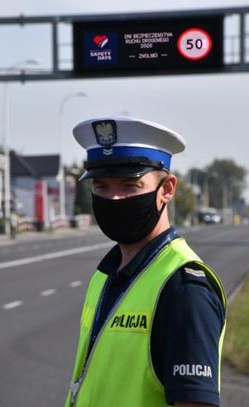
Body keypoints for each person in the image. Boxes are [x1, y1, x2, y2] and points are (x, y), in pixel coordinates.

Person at [65, 117, 226, 407]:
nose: (113, 198)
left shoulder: (183, 289)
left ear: (167, 189)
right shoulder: (106, 275)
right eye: (101, 186)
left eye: (130, 186)